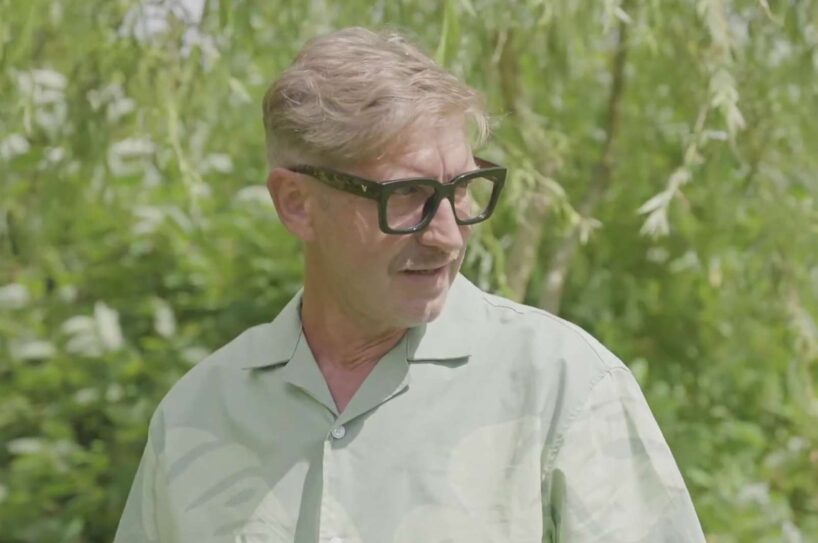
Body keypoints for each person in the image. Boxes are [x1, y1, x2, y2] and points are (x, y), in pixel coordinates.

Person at [114, 27, 705, 543]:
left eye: (461, 190)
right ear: (296, 203)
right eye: (408, 196)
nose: (448, 237)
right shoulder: (196, 415)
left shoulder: (563, 387)